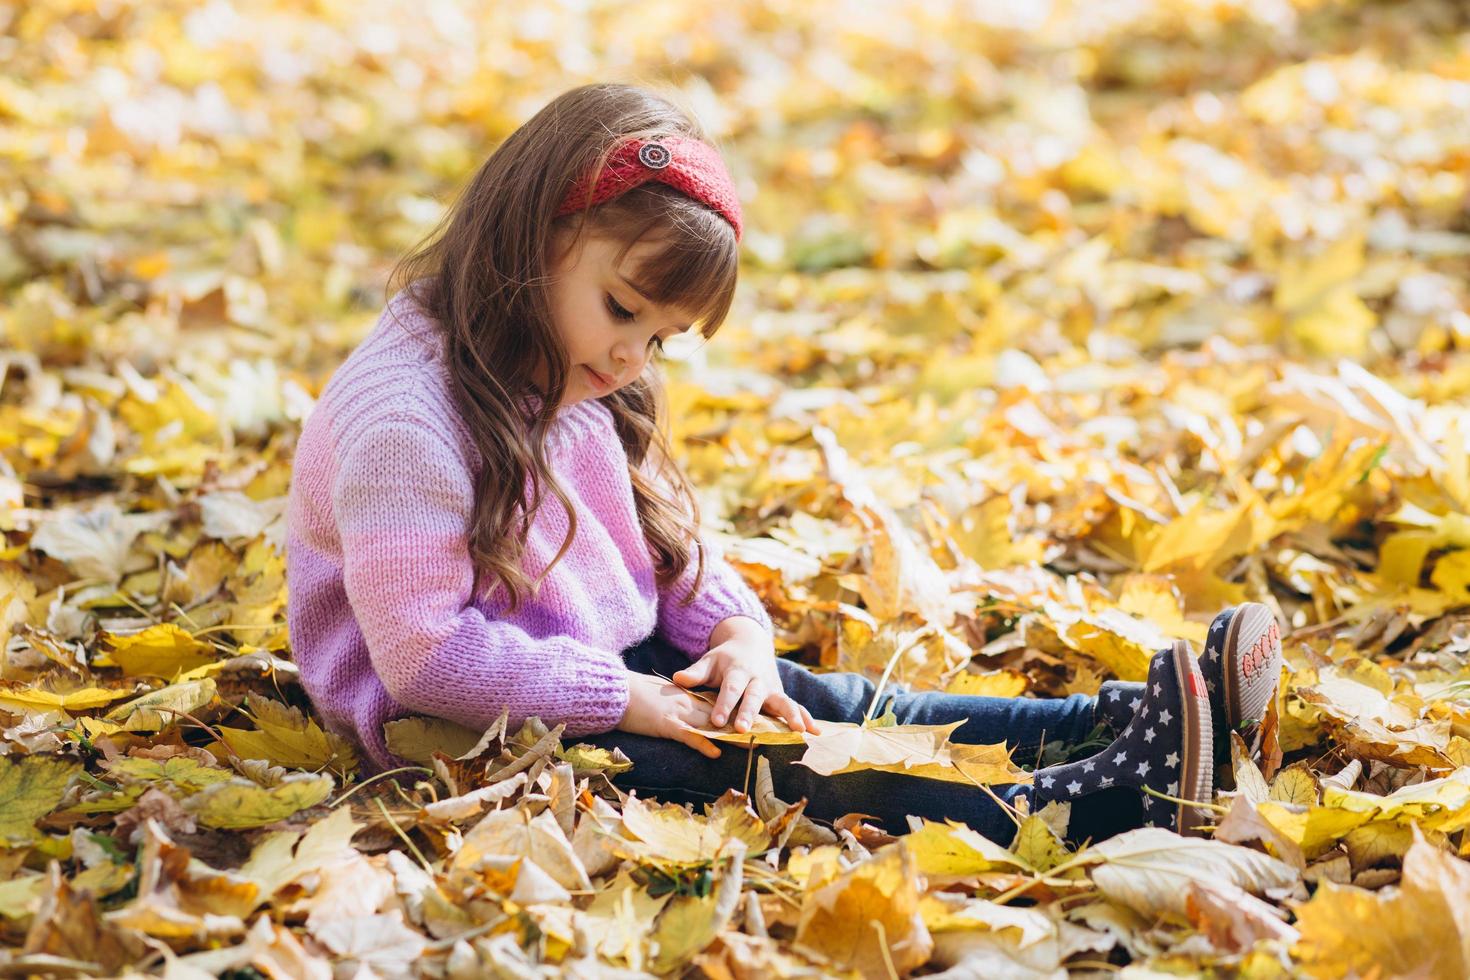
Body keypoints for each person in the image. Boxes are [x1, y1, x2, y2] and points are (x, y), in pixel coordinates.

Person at [284, 82, 1284, 846]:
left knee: (807, 697)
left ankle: (1112, 723)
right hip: (470, 726)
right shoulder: (405, 423)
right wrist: (629, 698)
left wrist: (737, 637)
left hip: (598, 666)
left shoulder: (586, 368)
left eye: (663, 336)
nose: (635, 355)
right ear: (533, 232)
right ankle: (1101, 800)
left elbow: (670, 552)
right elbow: (422, 656)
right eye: (626, 308)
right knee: (769, 761)